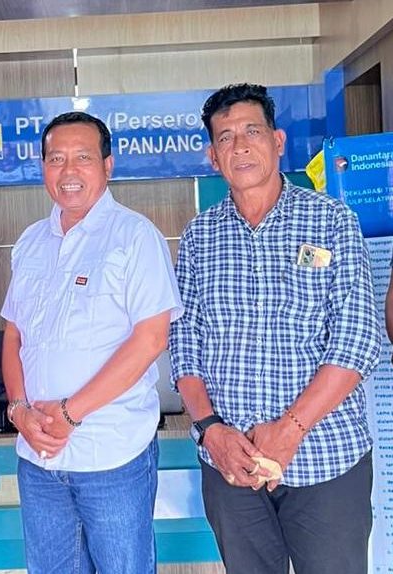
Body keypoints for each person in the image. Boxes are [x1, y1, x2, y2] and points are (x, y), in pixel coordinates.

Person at [169, 83, 381, 574]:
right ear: (213, 157)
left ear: (278, 141)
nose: (240, 146)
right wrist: (210, 430)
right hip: (230, 465)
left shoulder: (331, 220)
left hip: (325, 460)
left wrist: (290, 430)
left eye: (252, 131)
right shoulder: (200, 236)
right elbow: (184, 344)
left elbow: (358, 339)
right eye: (225, 138)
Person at [0, 111, 182, 574]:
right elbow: (14, 334)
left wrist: (69, 414)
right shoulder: (30, 241)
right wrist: (18, 410)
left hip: (112, 457)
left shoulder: (134, 236)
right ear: (43, 167)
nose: (68, 171)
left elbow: (151, 339)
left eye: (82, 157)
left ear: (107, 165)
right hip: (39, 460)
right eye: (56, 159)